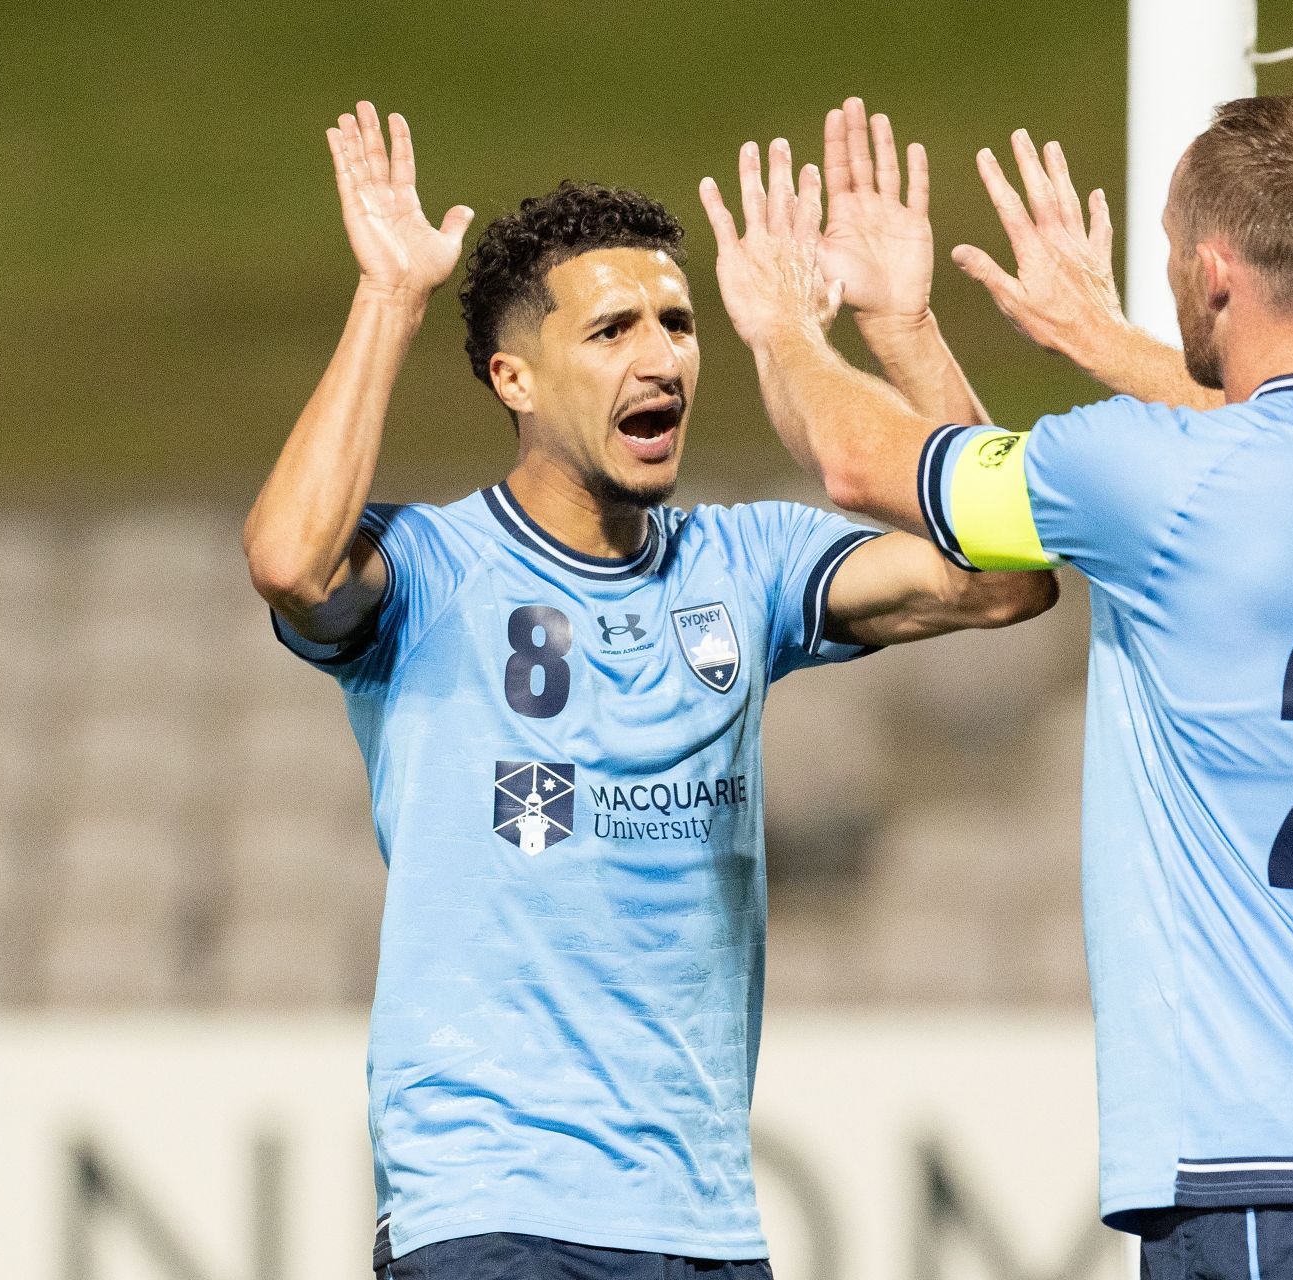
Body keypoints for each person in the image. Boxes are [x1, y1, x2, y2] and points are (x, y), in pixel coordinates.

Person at [700, 95, 1293, 1277]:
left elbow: (858, 461)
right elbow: (1277, 449)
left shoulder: (1162, 479)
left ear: (1213, 270)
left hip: (1263, 1157)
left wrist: (790, 327)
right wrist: (1051, 336)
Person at [242, 101, 1056, 1280]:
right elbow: (288, 560)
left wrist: (901, 325)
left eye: (678, 322)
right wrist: (387, 300)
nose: (663, 355)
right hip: (488, 1201)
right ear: (512, 375)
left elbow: (1004, 586)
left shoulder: (744, 563)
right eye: (614, 328)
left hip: (700, 1219)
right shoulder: (433, 569)